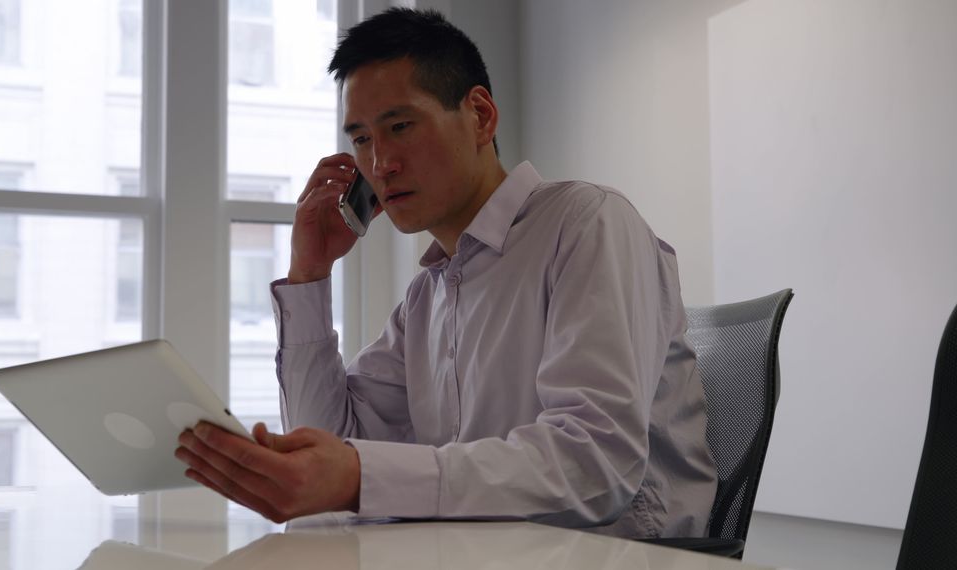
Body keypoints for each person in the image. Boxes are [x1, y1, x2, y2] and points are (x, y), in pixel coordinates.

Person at [175, 7, 717, 537]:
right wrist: (309, 273)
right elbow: (329, 440)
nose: (380, 163)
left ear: (480, 116)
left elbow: (594, 465)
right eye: (361, 138)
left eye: (401, 126)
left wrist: (361, 475)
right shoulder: (428, 296)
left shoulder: (587, 224)